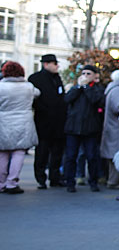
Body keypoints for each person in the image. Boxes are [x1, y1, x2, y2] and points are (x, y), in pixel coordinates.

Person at [62, 65, 105, 193]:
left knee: (91, 156)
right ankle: (70, 182)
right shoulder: (76, 88)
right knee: (71, 156)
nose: (85, 76)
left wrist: (86, 87)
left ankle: (93, 181)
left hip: (90, 129)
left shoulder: (97, 89)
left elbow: (96, 100)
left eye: (88, 73)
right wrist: (79, 87)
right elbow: (67, 99)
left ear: (94, 76)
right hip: (73, 129)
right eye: (83, 73)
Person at [0, 61, 40, 194]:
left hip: (3, 122)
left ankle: (1, 183)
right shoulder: (28, 87)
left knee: (3, 153)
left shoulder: (1, 86)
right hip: (23, 122)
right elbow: (38, 93)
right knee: (19, 153)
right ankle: (12, 183)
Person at [28, 54, 66, 189]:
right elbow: (34, 101)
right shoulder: (35, 79)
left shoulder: (56, 78)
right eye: (54, 63)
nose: (57, 66)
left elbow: (61, 98)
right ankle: (41, 178)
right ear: (46, 64)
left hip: (58, 122)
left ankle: (54, 177)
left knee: (57, 152)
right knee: (42, 152)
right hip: (43, 122)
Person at [100, 69, 119, 189]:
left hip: (111, 126)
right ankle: (113, 181)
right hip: (115, 127)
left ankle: (112, 179)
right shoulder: (118, 89)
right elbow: (118, 107)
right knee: (116, 154)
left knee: (112, 155)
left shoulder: (112, 88)